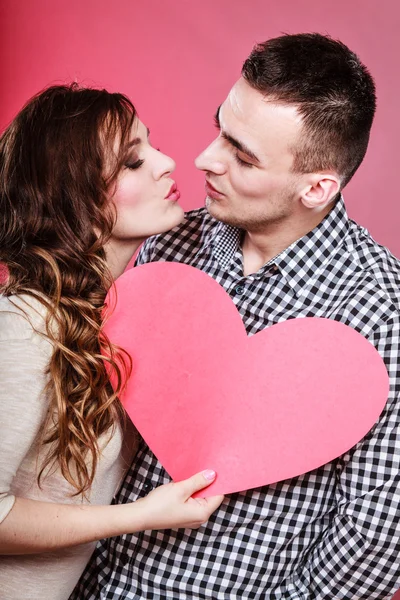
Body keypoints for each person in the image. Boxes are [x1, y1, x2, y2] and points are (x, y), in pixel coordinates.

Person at [72, 33, 400, 599]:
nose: (205, 159)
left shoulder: (382, 313)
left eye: (242, 155)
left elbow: (371, 540)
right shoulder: (172, 240)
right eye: (219, 126)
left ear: (317, 188)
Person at [0, 84, 224, 600]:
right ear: (70, 195)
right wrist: (140, 517)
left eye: (152, 145)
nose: (168, 163)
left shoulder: (105, 320)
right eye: (131, 162)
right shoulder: (24, 324)